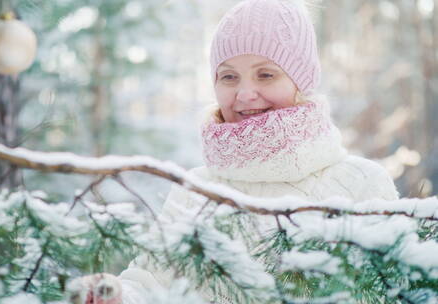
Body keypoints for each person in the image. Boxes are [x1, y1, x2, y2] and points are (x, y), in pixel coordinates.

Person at [73, 0, 399, 303]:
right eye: (229, 76)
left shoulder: (362, 185)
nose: (245, 94)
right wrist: (113, 294)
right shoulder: (195, 191)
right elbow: (149, 283)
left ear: (302, 81)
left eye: (266, 74)